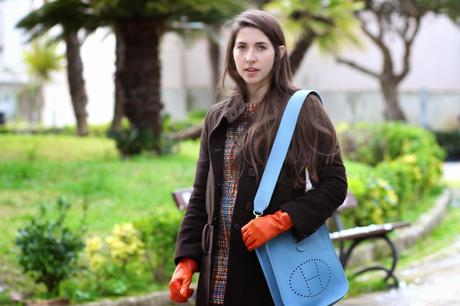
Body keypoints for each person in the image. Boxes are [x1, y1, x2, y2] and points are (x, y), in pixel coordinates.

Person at [169, 9, 347, 306]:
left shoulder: (303, 109)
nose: (250, 57)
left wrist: (281, 220)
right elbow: (201, 196)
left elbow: (334, 185)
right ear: (232, 53)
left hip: (270, 274)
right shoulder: (217, 117)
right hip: (216, 276)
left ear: (279, 54)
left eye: (260, 47)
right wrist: (186, 260)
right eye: (242, 47)